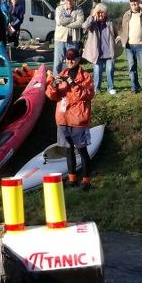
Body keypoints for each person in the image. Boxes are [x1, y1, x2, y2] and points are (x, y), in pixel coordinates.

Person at [45, 48, 95, 190]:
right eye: (67, 58)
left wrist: (72, 84)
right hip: (63, 119)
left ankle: (86, 181)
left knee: (82, 151)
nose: (69, 61)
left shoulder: (85, 76)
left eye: (72, 58)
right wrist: (54, 85)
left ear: (79, 59)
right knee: (68, 151)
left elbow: (87, 95)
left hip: (78, 119)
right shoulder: (62, 74)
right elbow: (51, 96)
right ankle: (72, 179)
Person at [118, 0, 142, 93]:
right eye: (131, 1)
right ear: (129, 3)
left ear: (139, 2)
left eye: (135, 1)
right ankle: (135, 87)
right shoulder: (126, 14)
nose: (133, 3)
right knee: (131, 67)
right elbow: (122, 28)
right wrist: (123, 38)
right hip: (129, 45)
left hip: (141, 45)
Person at [82, 3, 116, 94]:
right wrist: (92, 17)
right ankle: (96, 89)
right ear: (95, 13)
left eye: (102, 12)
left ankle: (111, 88)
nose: (101, 14)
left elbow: (115, 33)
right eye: (99, 12)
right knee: (97, 71)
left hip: (109, 52)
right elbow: (84, 27)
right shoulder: (92, 22)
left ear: (105, 13)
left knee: (110, 70)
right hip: (97, 52)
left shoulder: (110, 22)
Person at [53, 0, 83, 73]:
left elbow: (80, 23)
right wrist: (72, 19)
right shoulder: (59, 9)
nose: (69, 2)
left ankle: (71, 79)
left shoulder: (79, 10)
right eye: (68, 0)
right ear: (65, 0)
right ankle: (56, 80)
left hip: (73, 40)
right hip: (60, 39)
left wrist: (66, 24)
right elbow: (59, 21)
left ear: (74, 1)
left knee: (72, 62)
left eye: (71, 0)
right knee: (57, 62)